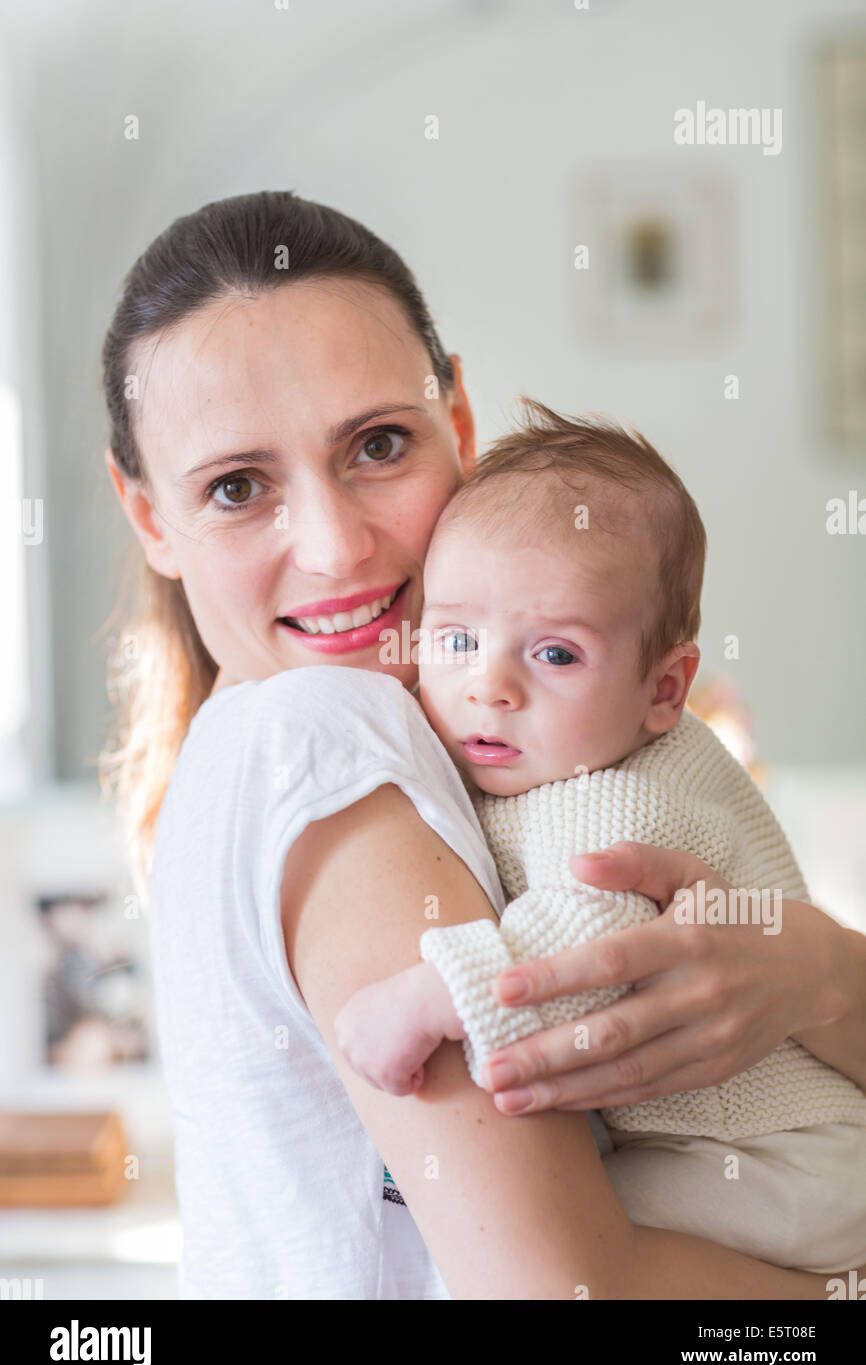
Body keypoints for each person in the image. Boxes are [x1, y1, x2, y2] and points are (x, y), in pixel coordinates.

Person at [99, 189, 866, 1299]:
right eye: (235, 486)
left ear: (457, 422)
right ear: (148, 517)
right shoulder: (328, 736)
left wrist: (820, 974)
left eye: (376, 444)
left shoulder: (442, 742)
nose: (332, 545)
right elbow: (564, 1293)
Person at [334, 404, 866, 1273]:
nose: (490, 686)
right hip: (754, 1156)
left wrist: (433, 996)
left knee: (541, 1220)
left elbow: (594, 941)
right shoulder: (552, 757)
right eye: (459, 638)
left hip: (783, 1160)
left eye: (556, 655)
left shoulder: (616, 798)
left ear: (664, 688)